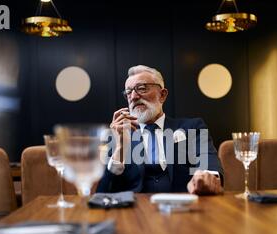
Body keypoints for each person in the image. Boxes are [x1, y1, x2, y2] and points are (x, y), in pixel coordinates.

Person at [96, 65, 224, 195]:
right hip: (135, 209)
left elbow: (207, 160)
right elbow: (103, 192)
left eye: (141, 88)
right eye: (128, 92)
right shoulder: (118, 136)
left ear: (162, 95)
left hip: (183, 207)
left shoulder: (192, 126)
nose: (133, 96)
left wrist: (207, 177)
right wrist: (120, 149)